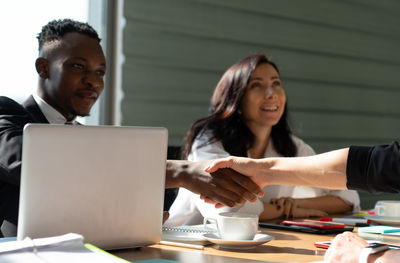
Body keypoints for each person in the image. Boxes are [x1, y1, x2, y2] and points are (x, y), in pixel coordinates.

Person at [0, 19, 262, 237]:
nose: (93, 82)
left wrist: (125, 218)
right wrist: (180, 171)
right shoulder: (7, 114)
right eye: (78, 66)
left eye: (100, 72)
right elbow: (36, 165)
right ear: (43, 68)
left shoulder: (88, 139)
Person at [165, 54, 359, 227]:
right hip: (186, 244)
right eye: (256, 85)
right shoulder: (209, 138)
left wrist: (293, 204)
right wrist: (284, 210)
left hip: (250, 246)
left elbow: (348, 198)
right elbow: (227, 209)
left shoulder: (292, 146)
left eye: (276, 83)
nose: (271, 93)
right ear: (237, 98)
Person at [205, 142, 400, 263]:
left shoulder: (294, 145)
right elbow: (376, 166)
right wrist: (264, 171)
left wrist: (368, 256)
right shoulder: (209, 143)